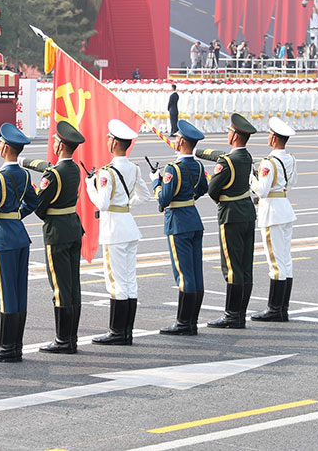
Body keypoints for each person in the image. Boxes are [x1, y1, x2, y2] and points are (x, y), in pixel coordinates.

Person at [21, 120, 86, 355]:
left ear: (60, 145)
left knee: (59, 287)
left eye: (55, 140)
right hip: (73, 228)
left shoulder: (54, 175)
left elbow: (39, 206)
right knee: (73, 285)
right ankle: (72, 337)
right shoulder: (74, 169)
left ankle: (62, 340)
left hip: (57, 232)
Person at [0, 123, 40, 362]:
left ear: (4, 148)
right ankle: (16, 346)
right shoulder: (24, 174)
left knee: (5, 293)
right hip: (20, 235)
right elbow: (32, 203)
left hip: (3, 238)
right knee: (19, 291)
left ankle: (6, 348)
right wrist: (16, 216)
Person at [87, 119, 151, 345]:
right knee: (129, 281)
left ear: (114, 143)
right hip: (128, 225)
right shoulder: (134, 168)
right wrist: (125, 205)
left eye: (108, 138)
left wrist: (89, 187)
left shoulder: (106, 173)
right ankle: (127, 332)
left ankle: (116, 332)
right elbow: (145, 195)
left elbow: (102, 204)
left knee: (115, 282)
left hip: (114, 229)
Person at [197, 113, 257, 329]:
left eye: (229, 131)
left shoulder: (227, 162)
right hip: (248, 214)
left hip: (230, 215)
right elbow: (222, 156)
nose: (228, 134)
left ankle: (231, 316)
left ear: (234, 136)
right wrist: (197, 152)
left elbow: (213, 190)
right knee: (245, 265)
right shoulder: (246, 157)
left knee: (231, 266)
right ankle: (239, 314)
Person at [155, 120, 209, 336]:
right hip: (194, 219)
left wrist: (156, 184)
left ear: (182, 141)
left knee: (183, 274)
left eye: (177, 138)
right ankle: (192, 321)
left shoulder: (173, 169)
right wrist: (189, 197)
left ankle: (183, 323)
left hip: (178, 223)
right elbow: (203, 188)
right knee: (196, 272)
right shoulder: (198, 165)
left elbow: (164, 199)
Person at [251, 117, 297, 322]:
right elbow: (292, 182)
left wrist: (252, 179)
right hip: (285, 208)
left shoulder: (268, 162)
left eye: (270, 135)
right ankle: (282, 308)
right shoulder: (291, 159)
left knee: (275, 262)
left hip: (272, 212)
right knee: (285, 260)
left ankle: (274, 309)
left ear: (275, 139)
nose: (268, 137)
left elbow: (262, 190)